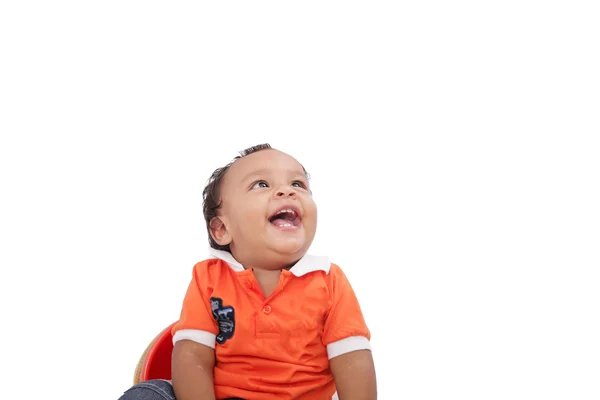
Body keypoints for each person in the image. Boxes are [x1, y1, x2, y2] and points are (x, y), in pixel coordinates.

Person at [119, 144, 376, 400]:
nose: (287, 190)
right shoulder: (209, 278)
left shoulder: (328, 280)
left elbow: (353, 361)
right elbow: (192, 356)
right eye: (261, 184)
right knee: (148, 394)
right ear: (221, 229)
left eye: (298, 184)